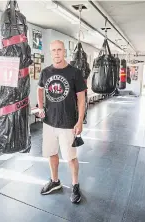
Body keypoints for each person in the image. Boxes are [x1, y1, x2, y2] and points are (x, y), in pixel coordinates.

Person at [37, 40, 87, 203]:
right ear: (50, 53)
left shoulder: (75, 73)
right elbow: (40, 89)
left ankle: (75, 185)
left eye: (59, 50)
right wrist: (41, 107)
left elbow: (81, 98)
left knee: (71, 157)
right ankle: (55, 181)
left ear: (64, 51)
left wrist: (80, 121)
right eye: (53, 50)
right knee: (52, 153)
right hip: (49, 122)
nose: (56, 53)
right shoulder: (45, 72)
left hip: (68, 123)